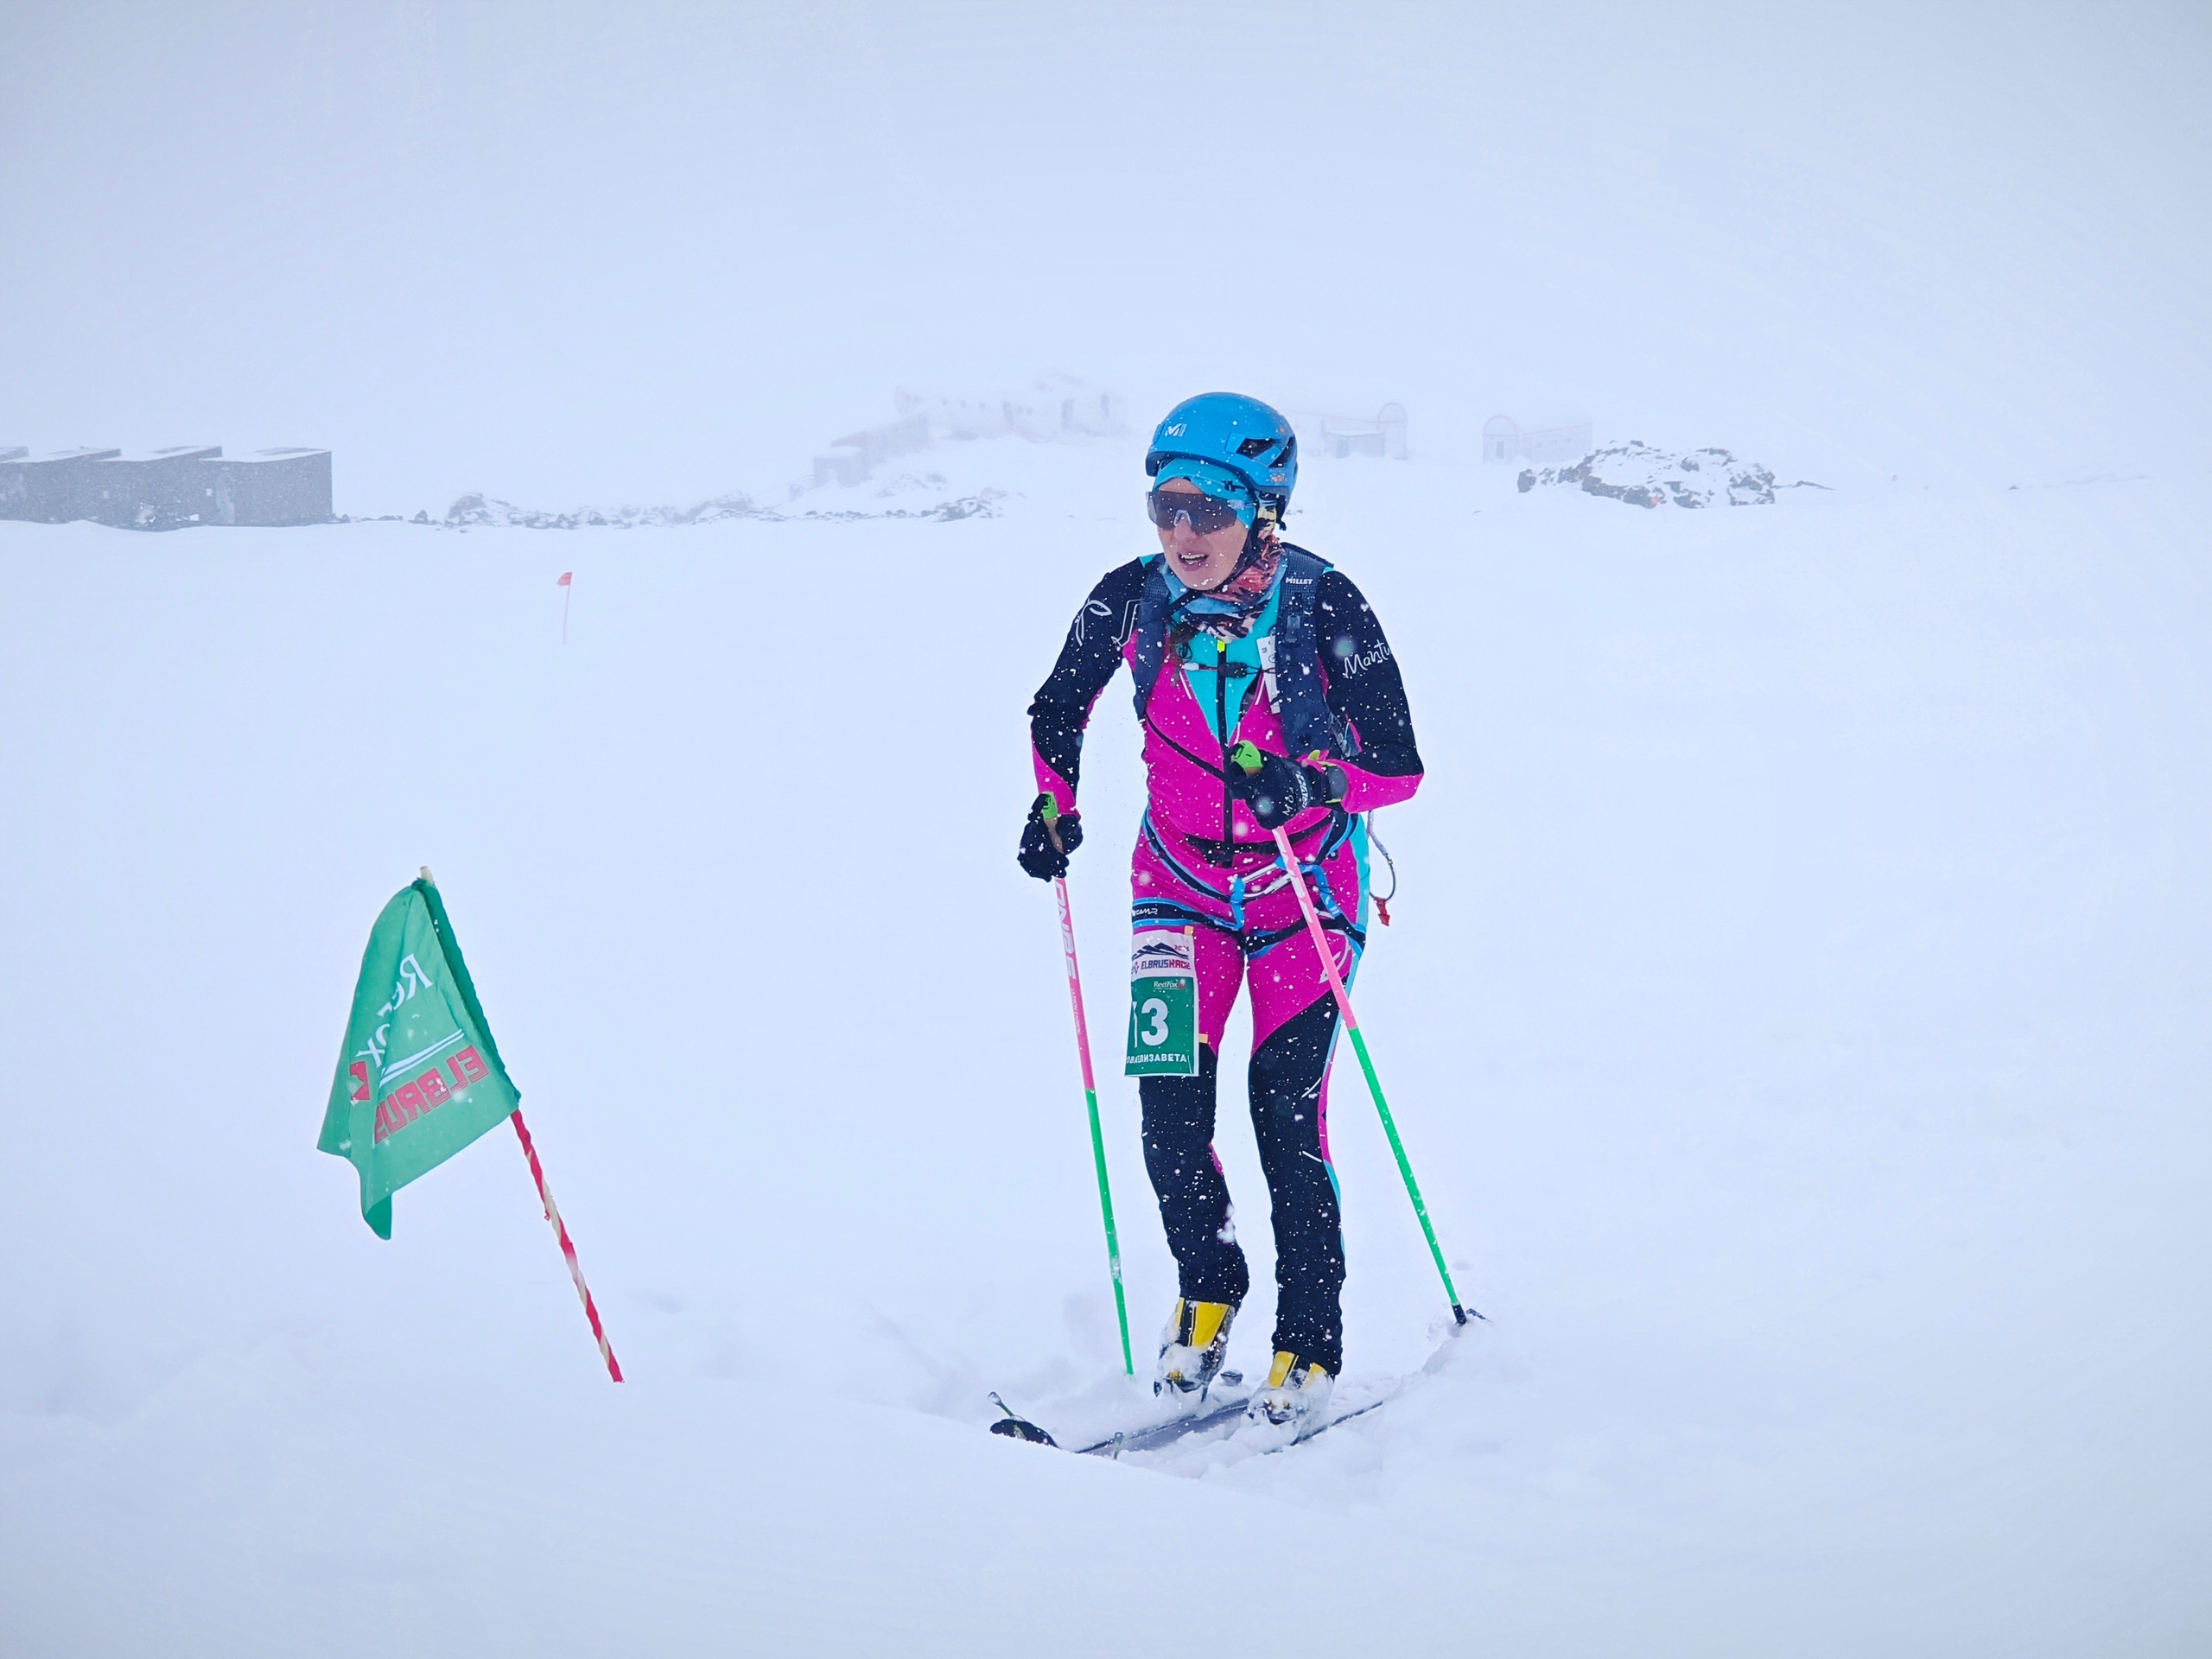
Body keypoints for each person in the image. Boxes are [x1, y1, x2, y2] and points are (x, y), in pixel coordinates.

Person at [1019, 392, 1425, 1427]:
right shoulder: (1129, 600)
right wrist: (1053, 805)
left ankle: (1310, 1341)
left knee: (1284, 1111)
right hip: (1176, 887)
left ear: (1264, 506)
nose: (1183, 533)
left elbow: (1398, 766)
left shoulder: (1325, 604)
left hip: (1302, 895)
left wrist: (1312, 787)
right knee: (1167, 1112)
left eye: (1209, 508)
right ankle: (1208, 1289)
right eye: (1165, 507)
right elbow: (1059, 703)